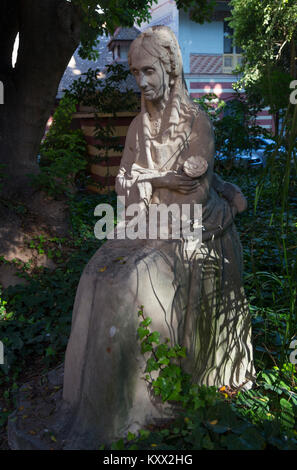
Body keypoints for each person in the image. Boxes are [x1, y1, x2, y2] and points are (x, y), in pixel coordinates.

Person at [62, 26, 255, 448]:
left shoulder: (196, 123)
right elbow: (122, 189)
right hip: (143, 222)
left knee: (127, 283)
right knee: (96, 275)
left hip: (188, 225)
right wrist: (145, 184)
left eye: (148, 70)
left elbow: (196, 192)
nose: (141, 81)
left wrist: (149, 182)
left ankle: (141, 403)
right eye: (134, 73)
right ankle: (96, 406)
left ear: (170, 68)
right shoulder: (136, 126)